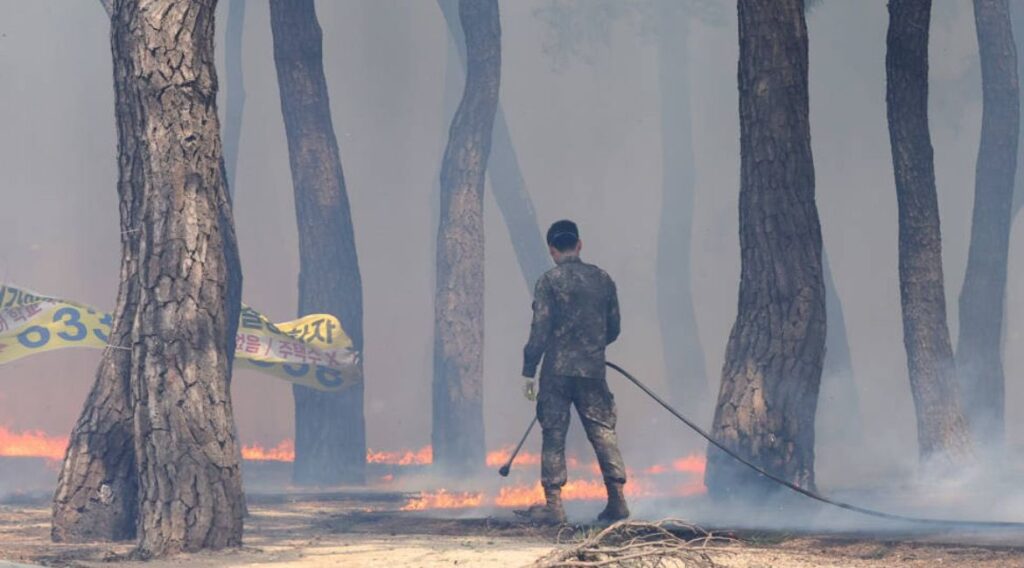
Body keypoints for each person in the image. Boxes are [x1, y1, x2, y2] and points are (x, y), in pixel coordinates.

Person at [517, 219, 629, 525]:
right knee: (603, 432)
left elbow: (540, 331)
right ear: (579, 245)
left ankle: (554, 507)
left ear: (552, 250)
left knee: (554, 434)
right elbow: (614, 327)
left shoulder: (548, 282)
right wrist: (591, 348)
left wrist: (529, 370)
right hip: (592, 371)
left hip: (556, 373)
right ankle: (617, 502)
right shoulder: (602, 279)